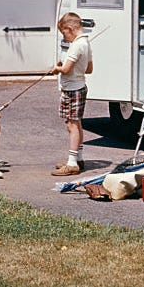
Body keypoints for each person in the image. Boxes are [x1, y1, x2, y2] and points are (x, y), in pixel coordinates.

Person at [50, 12, 93, 176]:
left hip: (72, 89)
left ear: (70, 28)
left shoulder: (76, 45)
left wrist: (58, 68)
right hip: (79, 85)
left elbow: (66, 70)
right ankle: (78, 158)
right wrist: (70, 64)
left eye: (65, 33)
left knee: (72, 125)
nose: (65, 37)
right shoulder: (86, 43)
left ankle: (72, 163)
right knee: (76, 123)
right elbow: (89, 69)